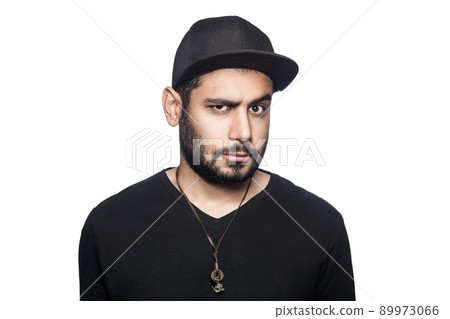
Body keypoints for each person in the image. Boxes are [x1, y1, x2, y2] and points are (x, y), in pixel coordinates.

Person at [79, 15, 355, 301]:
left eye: (258, 108)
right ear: (174, 108)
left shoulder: (319, 227)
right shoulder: (110, 227)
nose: (244, 132)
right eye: (221, 106)